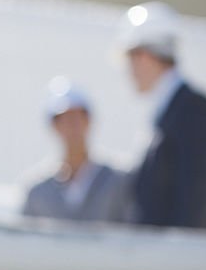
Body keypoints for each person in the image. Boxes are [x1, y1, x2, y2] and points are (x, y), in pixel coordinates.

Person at [118, 1, 206, 230]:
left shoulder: (195, 111)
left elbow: (194, 209)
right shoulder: (173, 110)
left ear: (143, 56)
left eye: (129, 59)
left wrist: (172, 263)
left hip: (182, 263)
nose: (128, 71)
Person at [21, 77, 130, 222]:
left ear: (88, 121)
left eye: (77, 117)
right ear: (53, 126)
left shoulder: (118, 181)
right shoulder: (37, 191)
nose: (72, 126)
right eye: (63, 119)